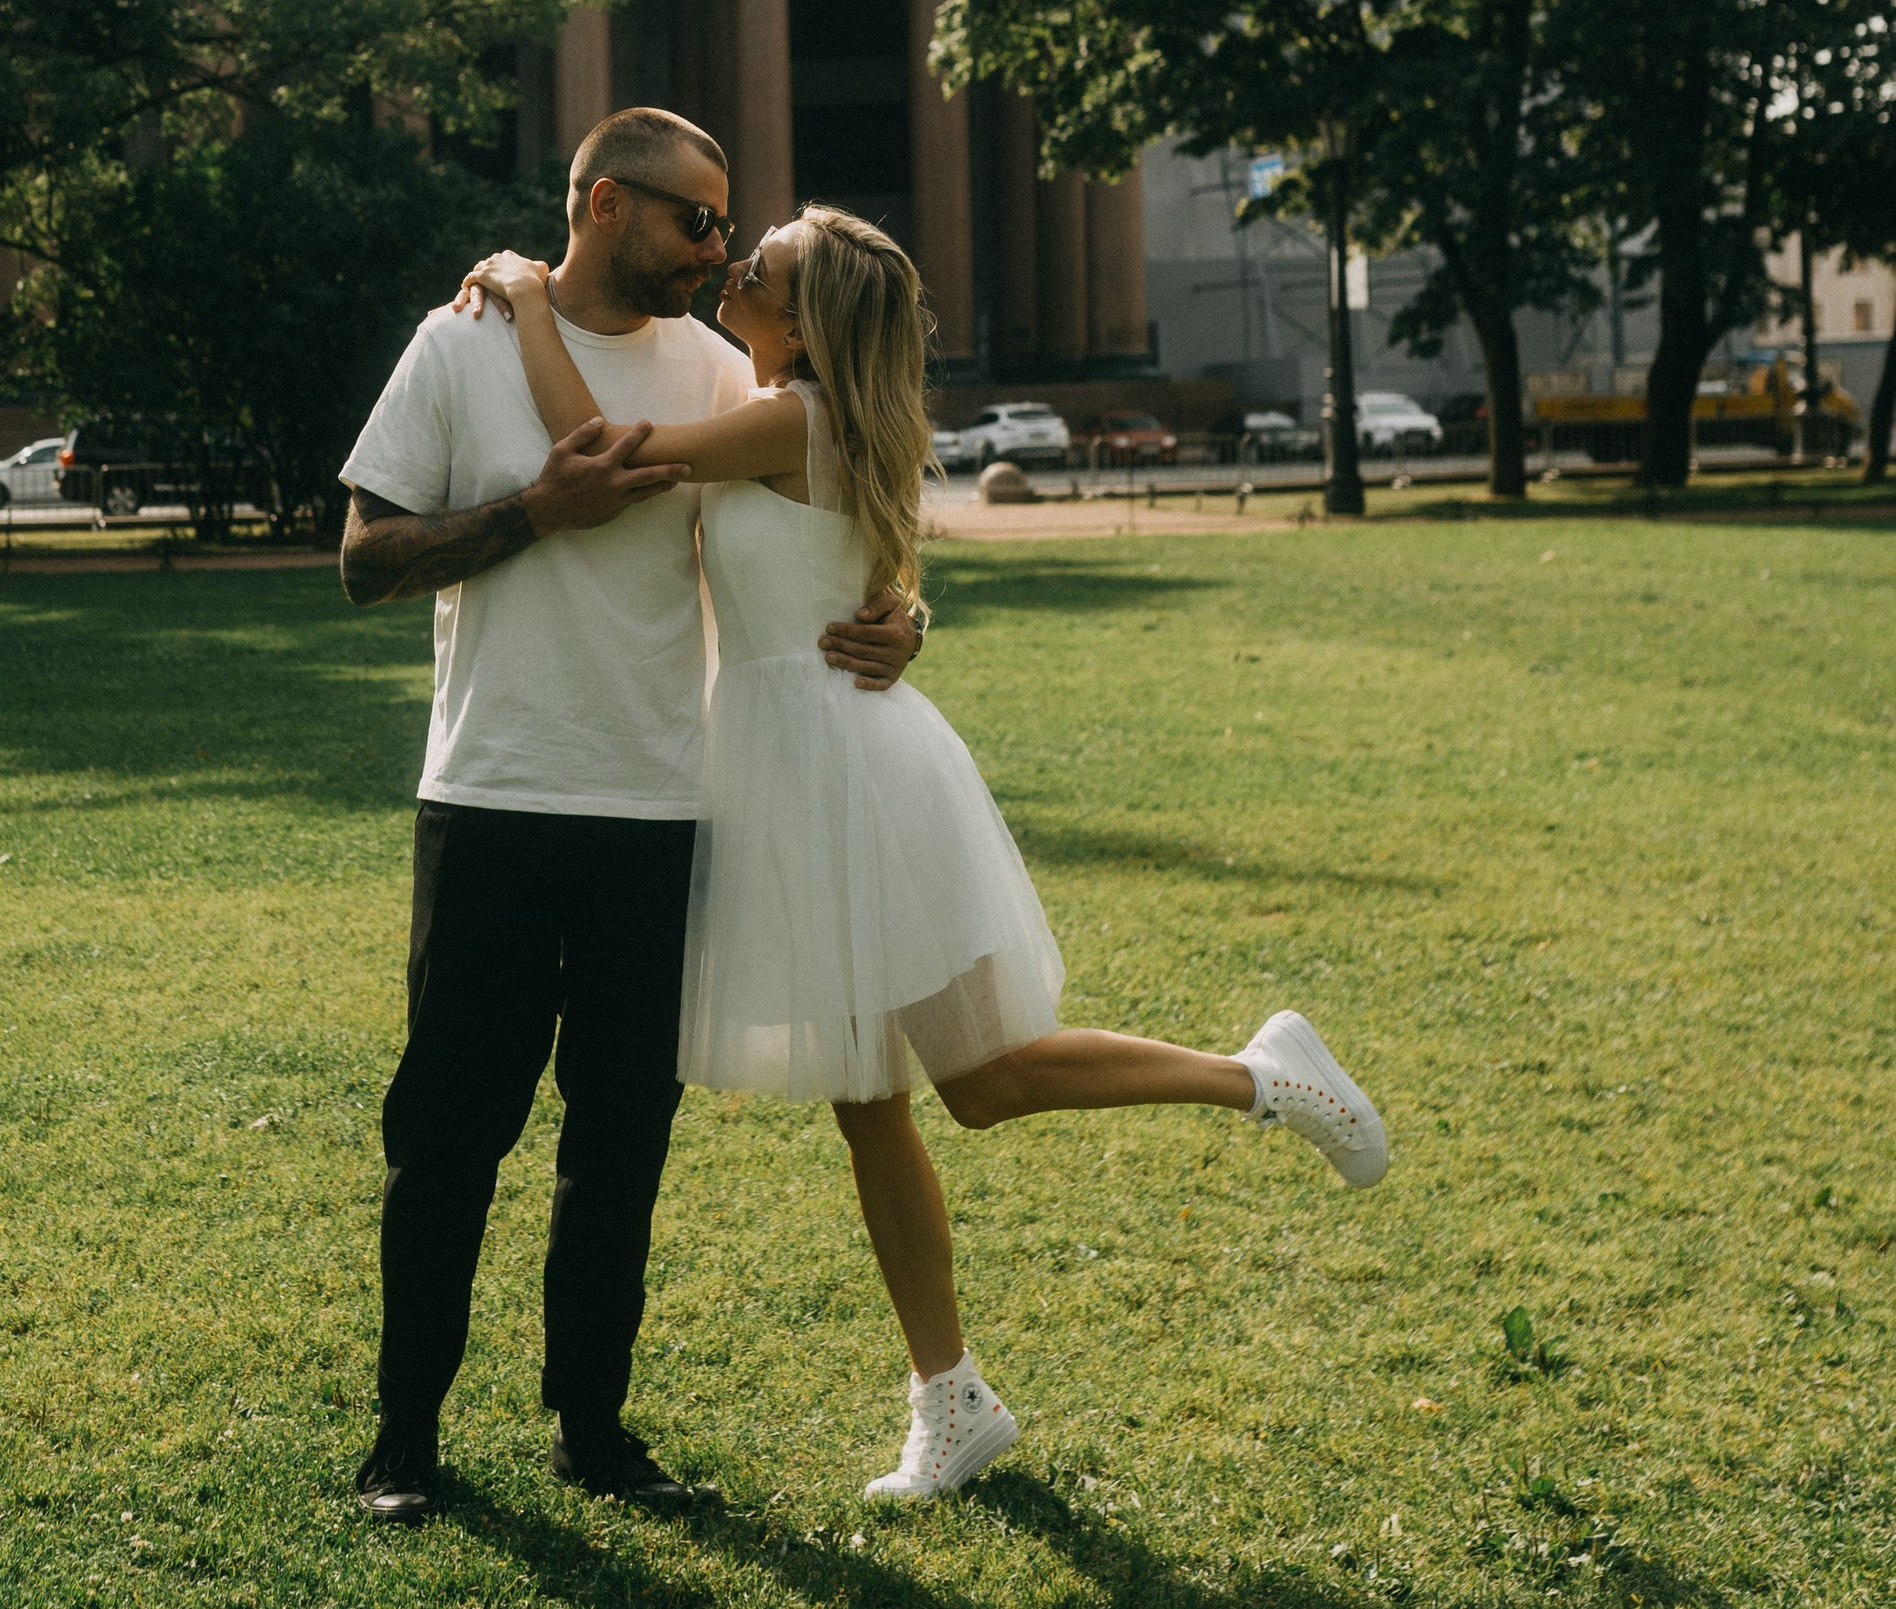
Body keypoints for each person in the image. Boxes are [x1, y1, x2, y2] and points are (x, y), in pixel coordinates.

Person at [464, 203, 1391, 1506]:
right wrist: (901, 617)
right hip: (803, 766)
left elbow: (595, 452)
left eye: (765, 265)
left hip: (851, 779)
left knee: (984, 1078)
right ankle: (949, 1400)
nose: (738, 266)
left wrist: (519, 290)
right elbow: (827, 570)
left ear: (808, 317)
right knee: (872, 1104)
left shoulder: (796, 417)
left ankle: (1261, 1077)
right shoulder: (786, 403)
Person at [338, 110, 924, 1530]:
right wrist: (527, 514)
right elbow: (364, 560)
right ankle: (403, 1441)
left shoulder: (721, 366)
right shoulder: (460, 342)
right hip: (491, 795)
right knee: (448, 1131)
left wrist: (905, 615)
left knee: (622, 1139)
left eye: (730, 230)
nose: (720, 250)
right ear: (607, 205)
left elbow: (828, 506)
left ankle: (593, 1432)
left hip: (664, 812)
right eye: (698, 223)